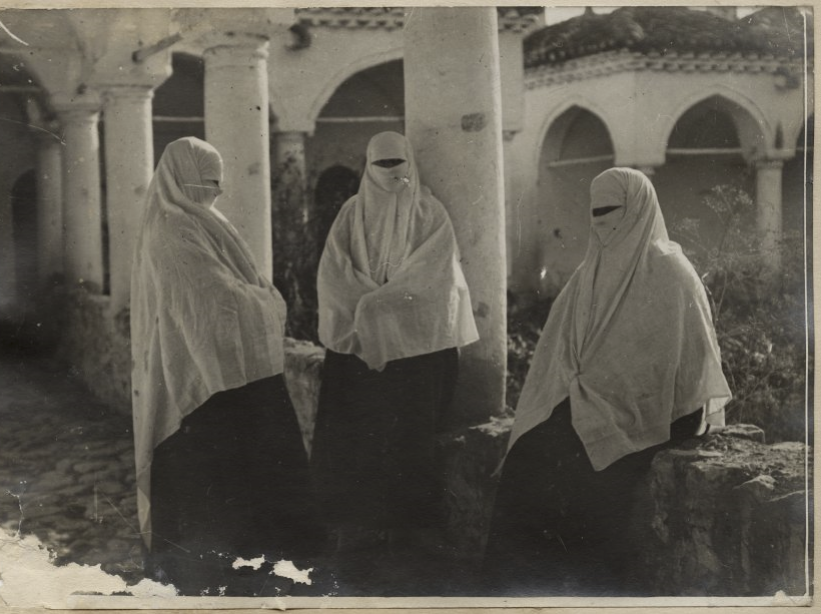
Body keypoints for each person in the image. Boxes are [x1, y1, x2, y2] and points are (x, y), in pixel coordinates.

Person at [484, 167, 731, 596]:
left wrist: (605, 395)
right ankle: (516, 591)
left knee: (582, 466)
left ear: (637, 208)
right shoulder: (591, 272)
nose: (602, 221)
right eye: (595, 212)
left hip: (662, 410)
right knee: (530, 450)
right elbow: (557, 350)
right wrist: (575, 390)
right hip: (594, 397)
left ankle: (580, 587)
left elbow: (684, 365)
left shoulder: (671, 272)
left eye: (611, 211)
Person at [130, 137, 323, 596]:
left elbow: (244, 290)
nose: (214, 191)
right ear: (180, 179)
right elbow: (213, 301)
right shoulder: (171, 231)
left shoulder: (208, 223)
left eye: (218, 182)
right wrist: (267, 303)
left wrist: (259, 299)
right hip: (201, 379)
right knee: (213, 502)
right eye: (205, 181)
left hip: (239, 373)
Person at [311, 132, 479, 578]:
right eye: (382, 163)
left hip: (414, 351)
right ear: (368, 165)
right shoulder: (351, 214)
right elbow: (333, 271)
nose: (391, 172)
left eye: (397, 162)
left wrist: (381, 304)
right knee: (354, 439)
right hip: (358, 348)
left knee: (409, 440)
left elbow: (435, 274)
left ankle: (408, 530)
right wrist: (365, 306)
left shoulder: (430, 213)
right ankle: (355, 528)